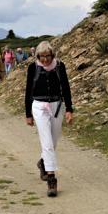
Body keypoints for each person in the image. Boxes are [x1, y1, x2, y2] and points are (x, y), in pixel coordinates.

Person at [24, 41, 73, 197]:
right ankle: (51, 179)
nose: (45, 60)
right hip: (39, 106)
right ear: (37, 56)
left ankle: (43, 162)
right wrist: (28, 114)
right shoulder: (33, 68)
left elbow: (65, 87)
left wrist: (70, 109)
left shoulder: (60, 66)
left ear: (53, 55)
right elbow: (28, 91)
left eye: (47, 56)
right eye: (41, 56)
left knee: (53, 141)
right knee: (47, 142)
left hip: (57, 106)